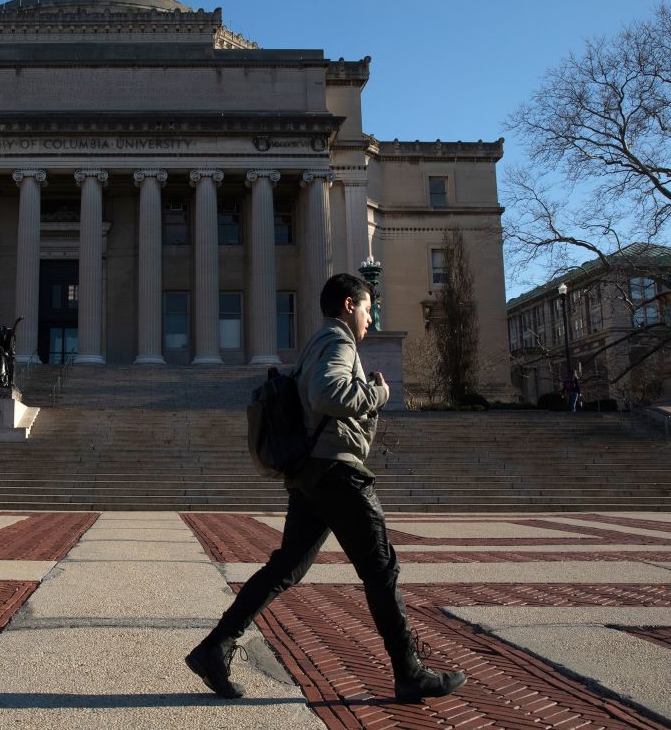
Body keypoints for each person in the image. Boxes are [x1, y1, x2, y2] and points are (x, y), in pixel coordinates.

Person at [185, 274, 466, 703]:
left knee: (285, 568)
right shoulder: (338, 342)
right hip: (337, 473)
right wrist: (376, 392)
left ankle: (214, 647)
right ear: (350, 305)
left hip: (311, 475)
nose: (371, 320)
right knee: (381, 570)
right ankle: (409, 672)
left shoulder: (317, 342)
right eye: (369, 309)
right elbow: (327, 393)